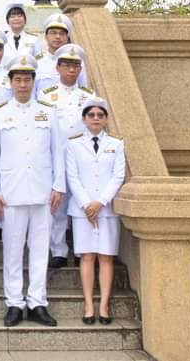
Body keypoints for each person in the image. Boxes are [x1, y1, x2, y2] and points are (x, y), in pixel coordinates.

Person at [0, 53, 64, 327]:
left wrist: (58, 185)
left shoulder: (48, 112)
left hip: (43, 191)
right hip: (11, 192)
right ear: (10, 82)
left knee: (40, 250)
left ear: (34, 82)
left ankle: (37, 302)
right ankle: (14, 302)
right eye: (18, 80)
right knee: (12, 250)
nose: (22, 84)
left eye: (27, 79)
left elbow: (58, 151)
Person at [65, 97, 126, 325]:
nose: (96, 118)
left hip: (107, 210)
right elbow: (72, 176)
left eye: (100, 115)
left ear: (106, 119)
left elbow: (118, 176)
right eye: (91, 115)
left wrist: (100, 202)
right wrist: (87, 204)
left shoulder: (116, 144)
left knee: (106, 257)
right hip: (82, 210)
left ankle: (104, 306)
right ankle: (89, 304)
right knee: (87, 256)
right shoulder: (73, 145)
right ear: (84, 119)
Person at [42, 44, 95, 269]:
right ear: (58, 67)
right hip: (57, 156)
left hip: (82, 157)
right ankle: (59, 250)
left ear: (80, 69)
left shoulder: (88, 96)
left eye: (75, 66)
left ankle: (85, 249)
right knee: (58, 205)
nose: (71, 70)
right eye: (66, 65)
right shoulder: (46, 96)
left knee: (83, 202)